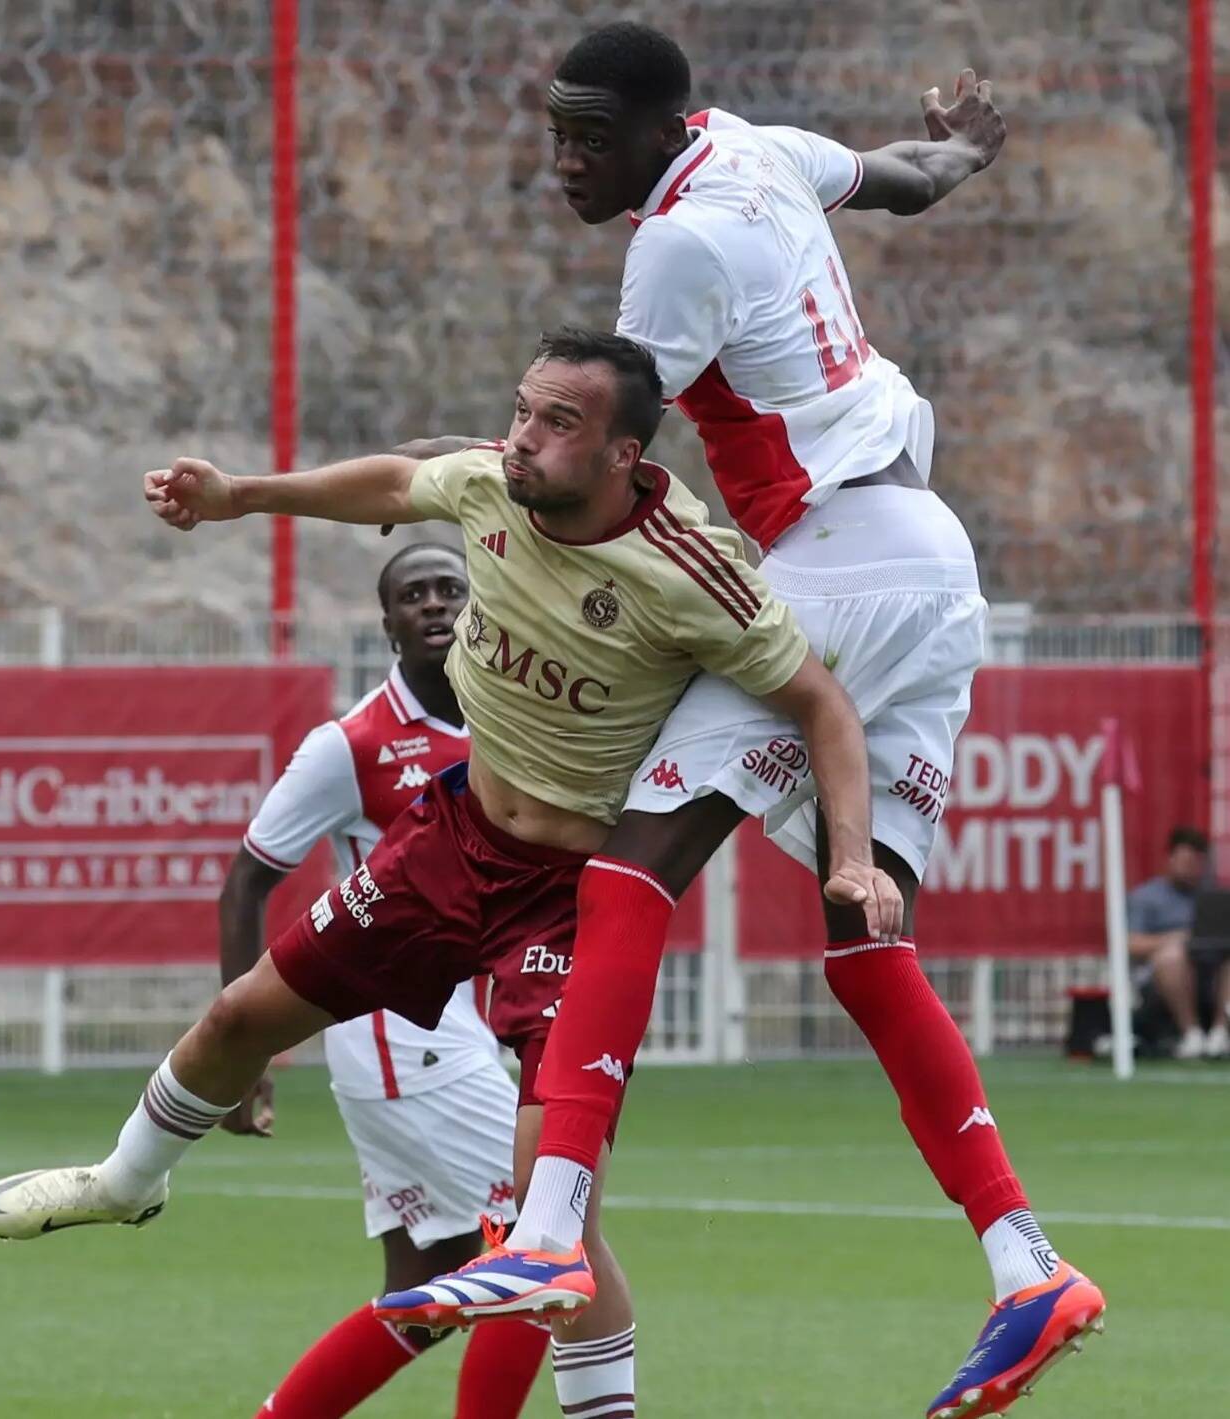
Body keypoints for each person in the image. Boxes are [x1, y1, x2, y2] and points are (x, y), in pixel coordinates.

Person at [0, 328, 902, 1419]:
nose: (522, 441)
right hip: (448, 847)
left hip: (575, 890)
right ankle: (123, 1184)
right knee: (238, 1020)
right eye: (520, 411)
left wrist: (853, 861)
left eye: (559, 425)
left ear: (623, 455)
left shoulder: (691, 573)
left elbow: (822, 706)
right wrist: (237, 498)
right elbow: (400, 481)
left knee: (555, 1226)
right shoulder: (490, 490)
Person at [405, 25, 1103, 1419]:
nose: (563, 160)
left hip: (836, 551)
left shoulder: (672, 245)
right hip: (926, 558)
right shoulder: (756, 149)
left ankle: (544, 1226)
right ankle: (1024, 1262)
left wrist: (511, 562)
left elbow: (609, 454)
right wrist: (959, 148)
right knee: (866, 923)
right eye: (555, 131)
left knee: (627, 862)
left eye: (587, 138)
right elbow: (900, 177)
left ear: (657, 132)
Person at [225, 542, 548, 1417]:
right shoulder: (352, 742)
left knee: (432, 1284)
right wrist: (240, 1049)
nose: (436, 605)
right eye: (415, 594)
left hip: (447, 1033)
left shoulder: (509, 715)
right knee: (536, 1252)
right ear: (388, 623)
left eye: (451, 589)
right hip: (398, 1035)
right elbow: (248, 876)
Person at [1128, 826, 1226, 1059]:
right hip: (1162, 977)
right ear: (1170, 859)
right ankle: (1191, 1034)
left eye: (1196, 862)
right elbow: (1131, 944)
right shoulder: (1146, 897)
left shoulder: (1216, 896)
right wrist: (1176, 939)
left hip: (1212, 971)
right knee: (1172, 956)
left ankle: (1221, 1033)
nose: (1191, 868)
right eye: (1185, 861)